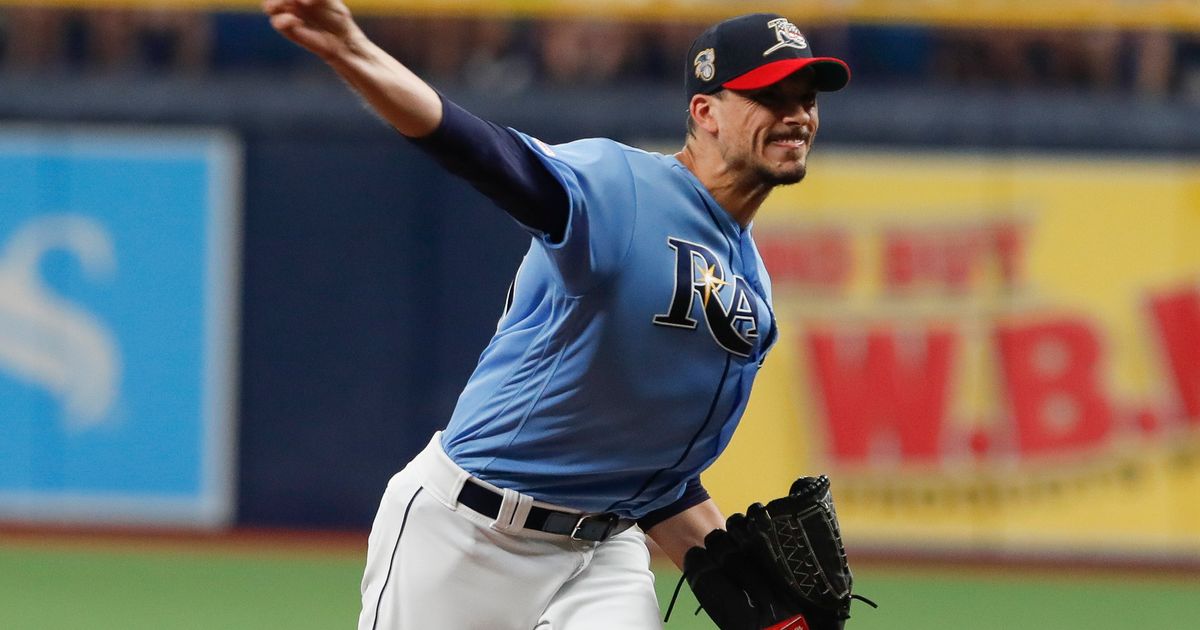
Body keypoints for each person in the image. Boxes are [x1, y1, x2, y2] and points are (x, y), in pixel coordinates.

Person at [264, 2, 850, 628]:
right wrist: (352, 51)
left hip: (604, 555)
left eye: (807, 97)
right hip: (468, 533)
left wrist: (742, 585)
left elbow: (656, 475)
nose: (797, 115)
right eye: (770, 95)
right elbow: (484, 153)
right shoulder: (620, 189)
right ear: (704, 112)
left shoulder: (749, 287)